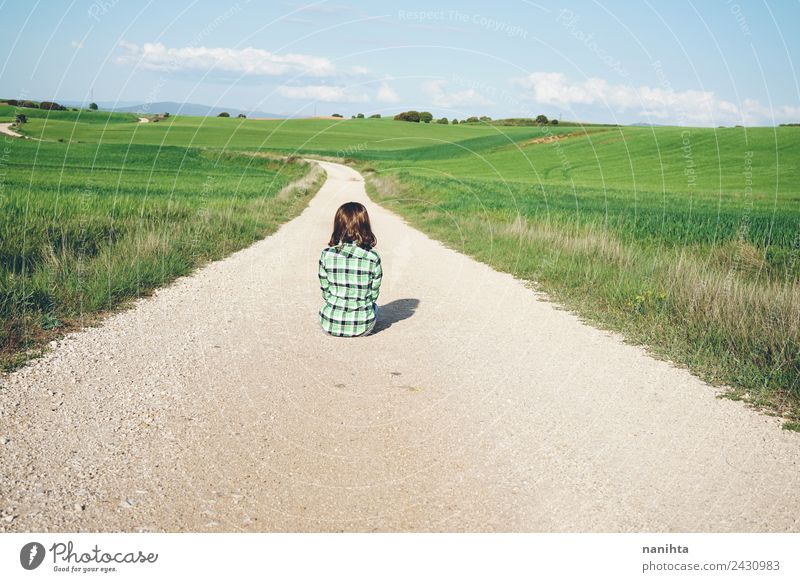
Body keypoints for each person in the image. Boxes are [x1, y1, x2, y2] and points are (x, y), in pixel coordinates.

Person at [318, 202, 382, 337]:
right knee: (375, 308)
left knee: (330, 304)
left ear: (338, 226)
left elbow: (326, 292)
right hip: (363, 326)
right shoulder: (372, 257)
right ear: (365, 227)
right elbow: (373, 295)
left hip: (329, 322)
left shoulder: (327, 255)